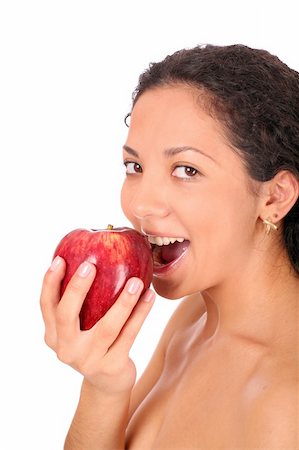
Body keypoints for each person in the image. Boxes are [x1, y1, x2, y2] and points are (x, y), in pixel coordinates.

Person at [40, 44, 299, 449]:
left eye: (186, 170)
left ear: (274, 197)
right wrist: (104, 384)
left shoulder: (284, 401)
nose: (140, 205)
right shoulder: (196, 317)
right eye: (135, 167)